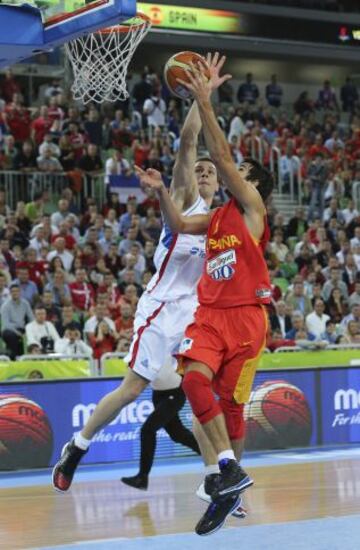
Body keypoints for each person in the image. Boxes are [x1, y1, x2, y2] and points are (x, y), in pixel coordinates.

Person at [52, 53, 226, 501]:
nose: (204, 174)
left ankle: (214, 476)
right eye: (200, 170)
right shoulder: (185, 200)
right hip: (161, 307)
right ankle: (77, 446)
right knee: (132, 389)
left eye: (211, 172)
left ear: (219, 183)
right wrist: (203, 92)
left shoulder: (223, 223)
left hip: (194, 313)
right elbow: (189, 140)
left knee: (201, 389)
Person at [136, 61, 273, 536]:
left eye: (243, 175)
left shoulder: (251, 210)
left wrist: (206, 103)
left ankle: (228, 487)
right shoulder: (215, 219)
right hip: (211, 316)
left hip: (249, 319)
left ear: (253, 187)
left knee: (231, 409)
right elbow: (176, 224)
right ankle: (226, 471)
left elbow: (220, 152)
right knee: (194, 382)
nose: (236, 177)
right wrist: (158, 194)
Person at [121, 363, 200, 490]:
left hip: (175, 392)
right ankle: (215, 457)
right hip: (157, 394)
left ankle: (142, 477)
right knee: (177, 434)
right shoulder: (146, 345)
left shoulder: (173, 343)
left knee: (147, 430)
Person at [1, 282, 34, 359]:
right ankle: (13, 359)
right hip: (9, 330)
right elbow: (6, 324)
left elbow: (31, 318)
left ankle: (23, 358)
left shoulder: (25, 303)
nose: (15, 293)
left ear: (20, 292)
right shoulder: (5, 306)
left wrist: (30, 329)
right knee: (12, 337)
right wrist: (17, 333)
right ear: (10, 293)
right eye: (13, 291)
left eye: (17, 291)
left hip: (22, 328)